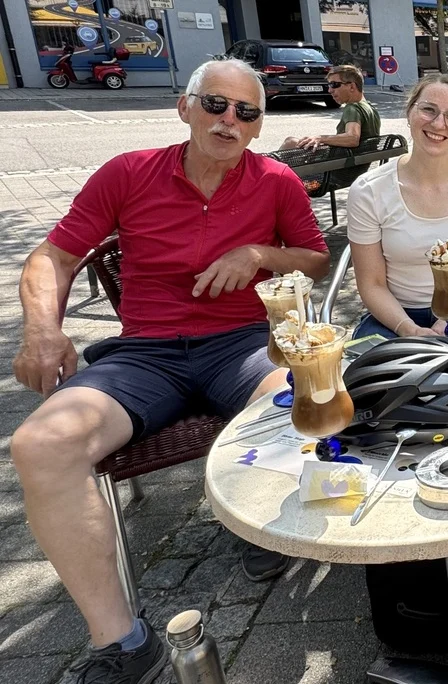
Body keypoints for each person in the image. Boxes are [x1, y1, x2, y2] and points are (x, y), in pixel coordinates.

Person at [10, 59, 330, 683]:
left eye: (246, 112)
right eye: (215, 105)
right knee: (40, 444)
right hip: (144, 354)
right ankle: (124, 643)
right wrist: (44, 328)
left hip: (240, 343)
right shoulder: (128, 173)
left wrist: (259, 253)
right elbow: (55, 255)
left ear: (259, 127)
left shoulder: (275, 181)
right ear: (184, 108)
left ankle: (261, 523)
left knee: (297, 401)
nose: (229, 121)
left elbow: (315, 259)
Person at [347, 74, 448, 337]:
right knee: (384, 376)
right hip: (395, 314)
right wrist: (408, 329)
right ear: (410, 113)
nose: (439, 123)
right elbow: (371, 284)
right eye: (428, 110)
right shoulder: (369, 191)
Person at [282, 64, 380, 153]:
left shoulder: (353, 108)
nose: (330, 90)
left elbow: (352, 138)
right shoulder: (370, 108)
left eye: (334, 85)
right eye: (329, 85)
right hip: (355, 163)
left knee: (290, 142)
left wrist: (320, 138)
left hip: (341, 168)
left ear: (351, 86)